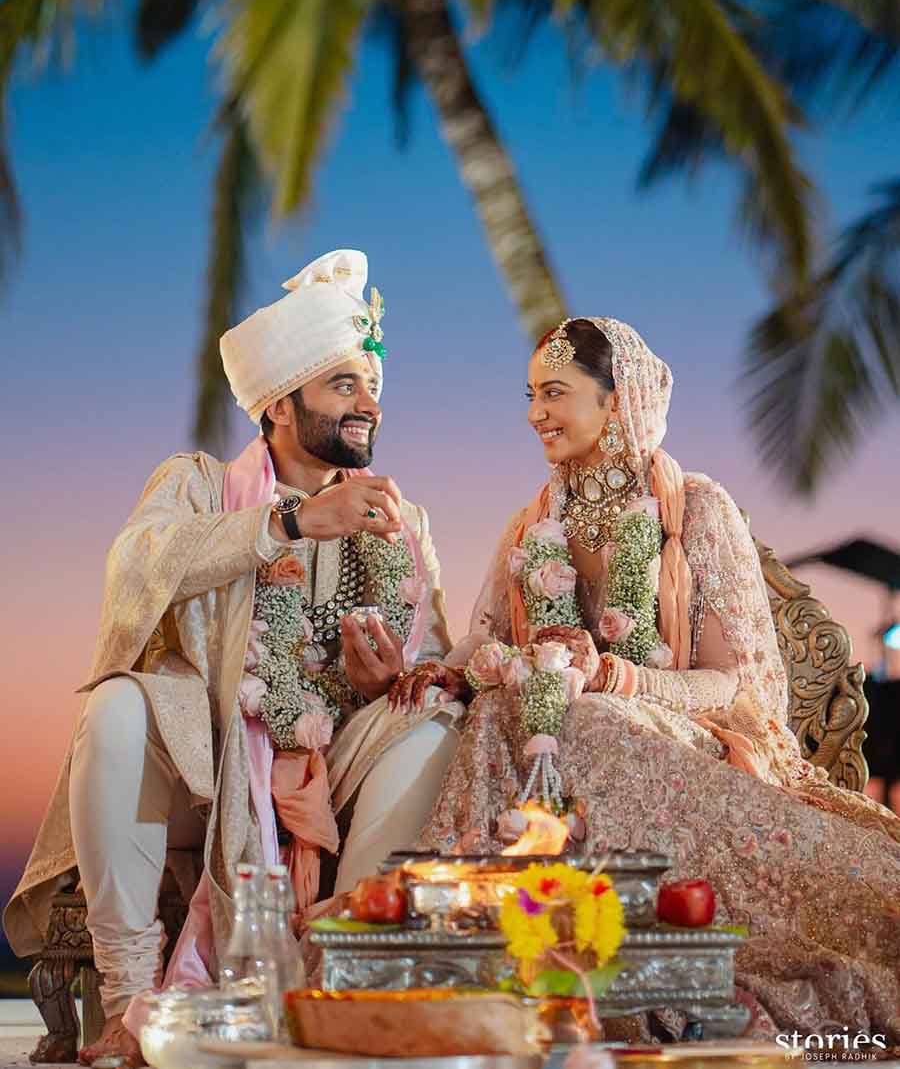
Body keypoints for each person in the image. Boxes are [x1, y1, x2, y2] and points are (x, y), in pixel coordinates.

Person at [3, 249, 462, 1066]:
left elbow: (434, 655)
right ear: (280, 404)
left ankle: (338, 975)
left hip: (337, 763)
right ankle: (129, 1001)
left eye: (374, 388)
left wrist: (385, 680)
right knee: (114, 702)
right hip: (209, 761)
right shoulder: (201, 484)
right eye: (344, 386)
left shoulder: (402, 521)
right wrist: (287, 525)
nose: (369, 407)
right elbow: (136, 566)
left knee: (431, 718)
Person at [394, 317, 900, 1040]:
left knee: (589, 718)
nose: (534, 413)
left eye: (555, 393)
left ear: (615, 402)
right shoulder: (529, 523)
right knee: (504, 706)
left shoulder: (694, 508)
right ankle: (485, 941)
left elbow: (731, 682)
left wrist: (620, 678)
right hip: (560, 714)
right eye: (531, 394)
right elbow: (490, 637)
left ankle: (603, 952)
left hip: (685, 727)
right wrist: (442, 670)